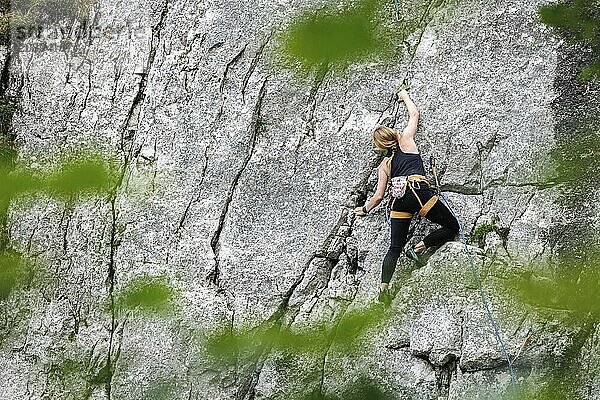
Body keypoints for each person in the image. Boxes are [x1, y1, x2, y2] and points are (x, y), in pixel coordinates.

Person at [354, 89, 459, 305]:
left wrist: (364, 209)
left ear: (380, 146)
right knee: (452, 226)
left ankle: (383, 288)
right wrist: (404, 96)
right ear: (392, 134)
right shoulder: (407, 140)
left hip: (399, 200)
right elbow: (414, 114)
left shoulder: (384, 165)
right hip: (418, 192)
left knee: (394, 247)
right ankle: (419, 247)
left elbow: (379, 196)